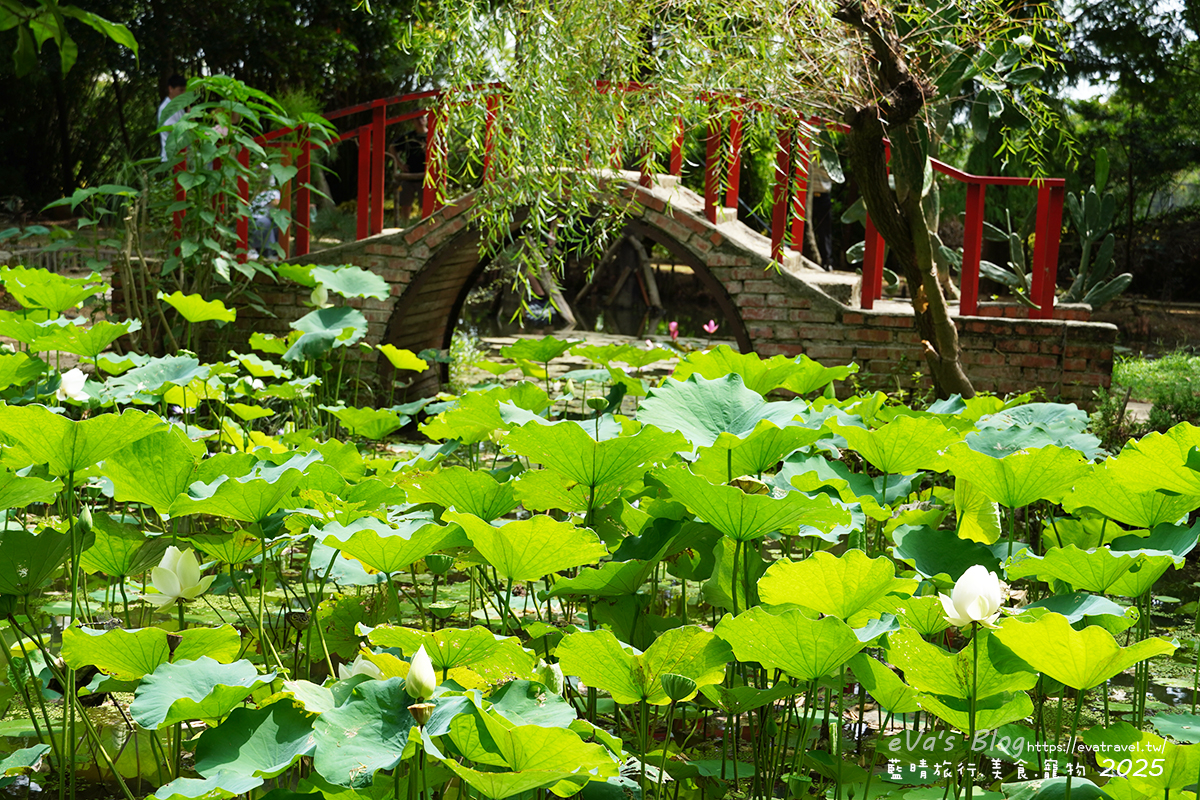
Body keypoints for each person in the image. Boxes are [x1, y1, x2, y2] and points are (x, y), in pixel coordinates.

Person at [390, 115, 428, 222]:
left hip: (426, 175)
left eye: (422, 118)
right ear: (413, 121)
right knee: (405, 202)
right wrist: (400, 164)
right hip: (409, 175)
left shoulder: (432, 135)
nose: (420, 121)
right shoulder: (408, 137)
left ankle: (425, 225)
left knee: (426, 204)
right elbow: (392, 147)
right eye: (417, 119)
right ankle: (404, 224)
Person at [157, 74, 187, 162]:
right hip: (170, 157)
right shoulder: (166, 107)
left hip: (180, 155)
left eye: (184, 90)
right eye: (180, 90)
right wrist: (188, 120)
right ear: (170, 89)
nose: (183, 93)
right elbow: (171, 129)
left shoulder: (178, 107)